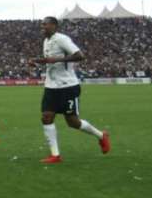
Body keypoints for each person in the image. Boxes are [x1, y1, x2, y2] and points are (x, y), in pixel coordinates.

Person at [29, 16, 111, 164]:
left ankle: (101, 135)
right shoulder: (46, 41)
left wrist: (58, 60)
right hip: (51, 86)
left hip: (67, 86)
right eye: (41, 25)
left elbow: (80, 56)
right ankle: (55, 155)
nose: (42, 27)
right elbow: (50, 62)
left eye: (45, 25)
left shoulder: (62, 39)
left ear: (54, 26)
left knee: (72, 122)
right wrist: (37, 62)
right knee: (46, 117)